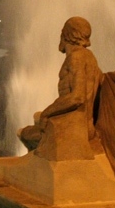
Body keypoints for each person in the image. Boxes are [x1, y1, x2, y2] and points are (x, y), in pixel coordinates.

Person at [18, 16, 104, 161]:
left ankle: (40, 164)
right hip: (85, 122)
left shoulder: (76, 58)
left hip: (74, 126)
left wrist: (47, 113)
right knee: (37, 117)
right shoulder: (89, 57)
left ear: (68, 35)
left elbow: (77, 97)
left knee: (23, 133)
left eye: (62, 32)